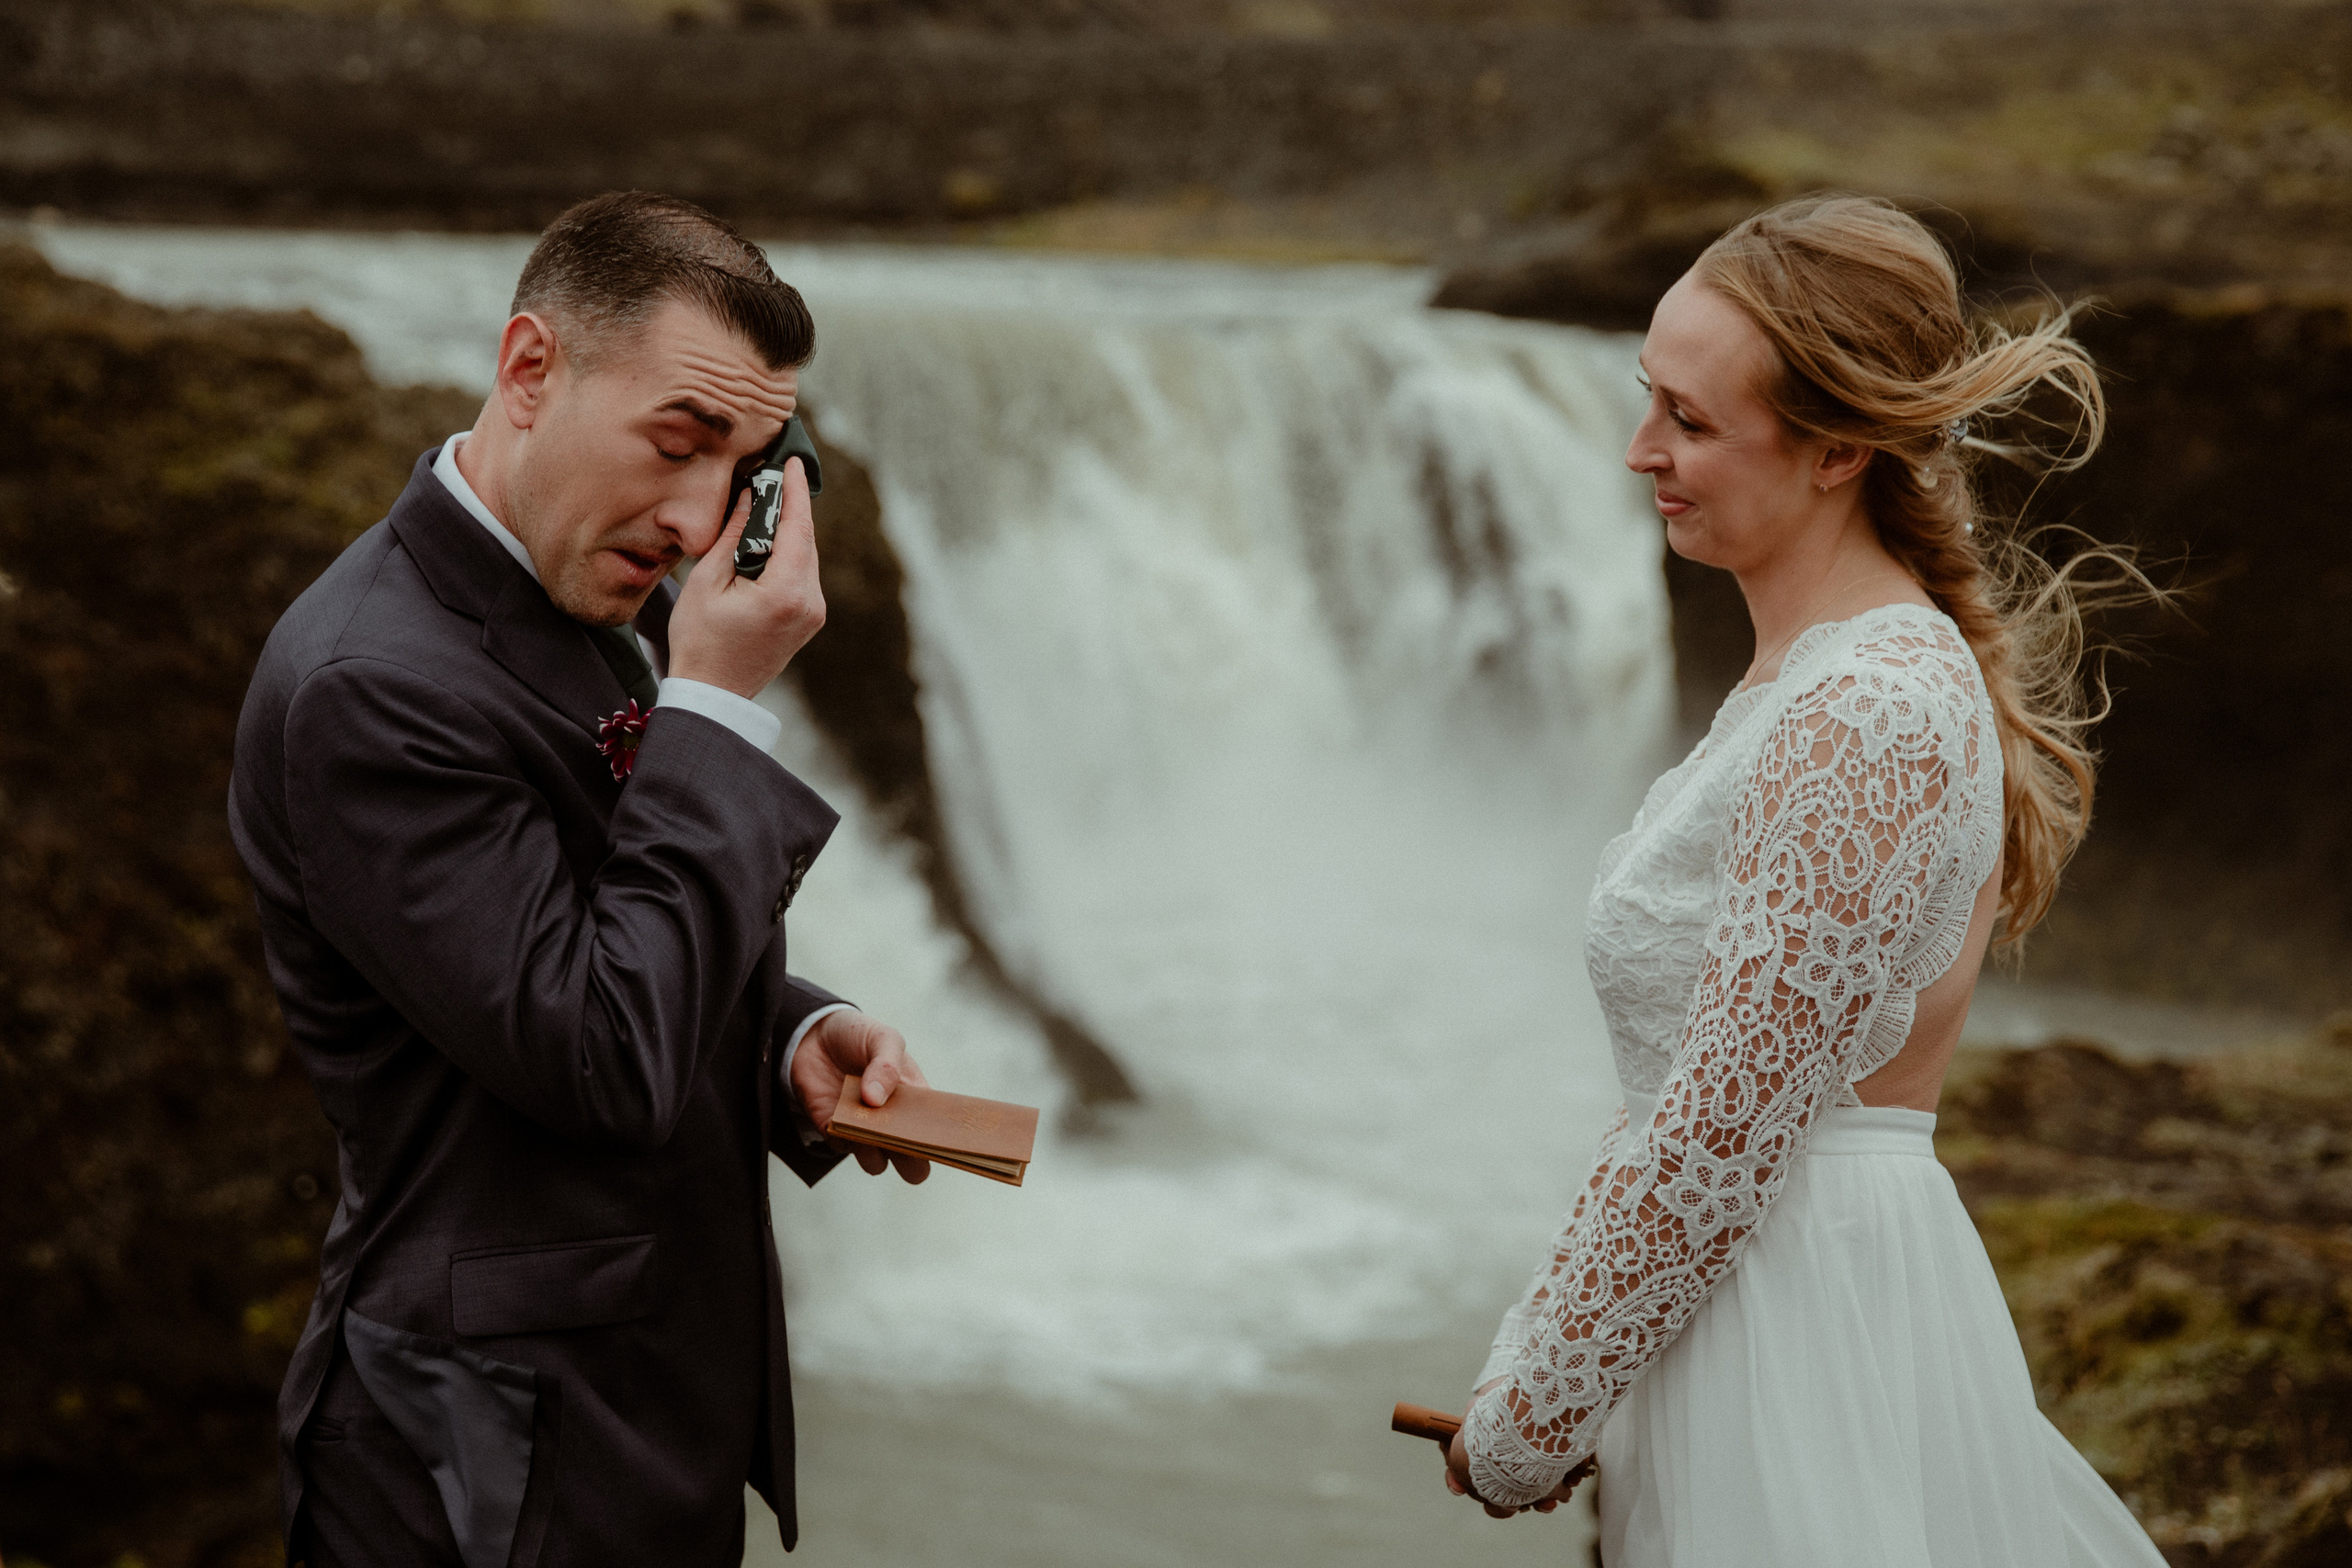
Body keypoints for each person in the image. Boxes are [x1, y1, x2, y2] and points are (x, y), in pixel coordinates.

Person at [1441, 194, 2168, 1566]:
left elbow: (1723, 1136)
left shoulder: (1867, 716)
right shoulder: (1807, 683)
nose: (1640, 451)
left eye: (1693, 424)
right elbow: (1673, 1108)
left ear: (1838, 447)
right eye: (1650, 399)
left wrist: (1534, 1415)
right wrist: (1537, 1356)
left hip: (1802, 1334)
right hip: (1752, 1310)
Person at [229, 191, 933, 1568]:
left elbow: (578, 932)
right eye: (677, 442)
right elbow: (600, 1051)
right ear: (530, 370)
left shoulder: (584, 586)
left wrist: (781, 1030)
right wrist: (717, 702)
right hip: (477, 1450)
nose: (693, 519)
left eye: (739, 464)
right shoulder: (371, 689)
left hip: (619, 1406)